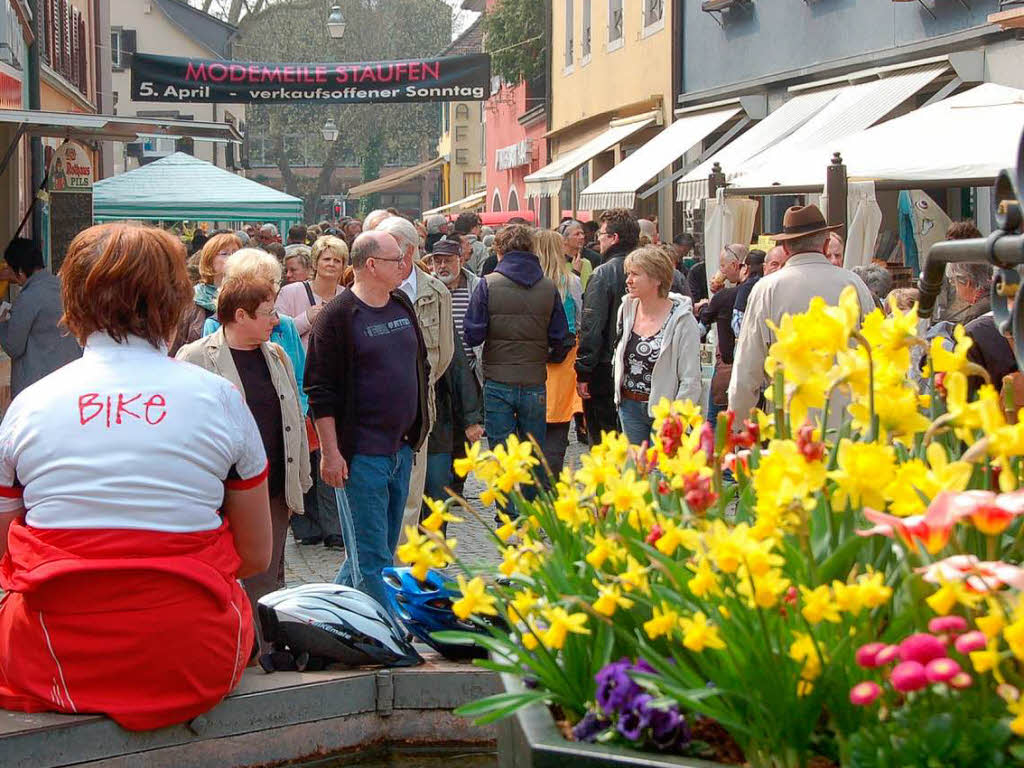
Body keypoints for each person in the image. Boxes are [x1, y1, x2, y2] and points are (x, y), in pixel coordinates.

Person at [0, 223, 270, 730]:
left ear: (73, 302)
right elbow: (256, 555)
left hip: (49, 654)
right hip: (192, 655)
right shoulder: (220, 400)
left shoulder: (26, 407)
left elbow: (3, 552)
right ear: (175, 302)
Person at [177, 275, 311, 652]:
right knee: (217, 573)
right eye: (269, 314)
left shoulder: (276, 355)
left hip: (272, 488)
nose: (277, 321)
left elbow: (292, 419)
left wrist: (299, 478)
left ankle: (261, 651)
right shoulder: (196, 357)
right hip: (220, 493)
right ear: (240, 315)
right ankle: (220, 647)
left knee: (266, 578)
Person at [304, 231, 430, 611]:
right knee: (373, 560)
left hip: (401, 448)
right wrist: (331, 454)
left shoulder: (401, 303)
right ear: (372, 265)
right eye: (397, 260)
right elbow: (319, 392)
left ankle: (326, 616)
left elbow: (419, 363)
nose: (404, 266)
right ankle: (388, 637)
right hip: (361, 456)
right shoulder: (338, 317)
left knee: (372, 552)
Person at [728, 205, 876, 421]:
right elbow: (875, 349)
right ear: (826, 245)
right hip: (849, 420)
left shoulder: (766, 289)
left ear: (786, 249)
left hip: (791, 423)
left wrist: (737, 427)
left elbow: (747, 369)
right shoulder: (853, 283)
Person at [464, 224, 572, 488]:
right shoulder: (548, 287)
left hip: (498, 380)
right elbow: (561, 336)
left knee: (502, 454)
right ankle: (530, 514)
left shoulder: (488, 284)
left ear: (499, 251)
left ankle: (507, 516)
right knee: (532, 452)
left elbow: (473, 335)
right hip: (535, 379)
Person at [378, 216, 454, 538]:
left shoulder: (435, 292)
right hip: (374, 414)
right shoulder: (371, 288)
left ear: (406, 254)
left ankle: (399, 572)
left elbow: (445, 353)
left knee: (409, 496)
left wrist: (413, 387)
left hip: (417, 411)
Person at [614, 246, 701, 444]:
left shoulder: (683, 320)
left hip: (665, 411)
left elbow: (690, 378)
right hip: (629, 405)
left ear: (657, 278)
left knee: (663, 472)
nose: (628, 280)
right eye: (628, 274)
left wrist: (677, 419)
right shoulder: (626, 309)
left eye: (635, 274)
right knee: (636, 470)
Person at [576, 209, 641, 443]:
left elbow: (591, 327)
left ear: (614, 238)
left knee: (606, 441)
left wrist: (584, 371)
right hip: (645, 365)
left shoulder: (603, 274)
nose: (597, 241)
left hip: (607, 367)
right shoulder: (659, 269)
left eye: (601, 235)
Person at [0, 238, 81, 398]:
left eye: (10, 270)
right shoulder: (63, 288)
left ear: (21, 271)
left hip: (38, 386)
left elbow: (13, 346)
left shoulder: (28, 297)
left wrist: (2, 324)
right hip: (71, 378)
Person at [534, 229, 583, 480]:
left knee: (536, 419)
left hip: (535, 357)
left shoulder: (530, 283)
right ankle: (552, 477)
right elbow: (579, 318)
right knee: (559, 422)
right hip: (565, 359)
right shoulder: (571, 281)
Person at [695, 244, 745, 426]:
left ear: (735, 265)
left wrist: (707, 305)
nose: (720, 270)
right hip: (750, 372)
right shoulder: (757, 289)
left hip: (727, 368)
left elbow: (702, 325)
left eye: (723, 266)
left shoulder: (726, 296)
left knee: (715, 424)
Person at [170, 232, 241, 356]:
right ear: (209, 261)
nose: (232, 258)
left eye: (236, 253)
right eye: (225, 253)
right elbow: (177, 344)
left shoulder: (246, 297)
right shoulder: (192, 298)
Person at [276, 235, 348, 349]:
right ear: (315, 263)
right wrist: (306, 319)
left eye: (337, 261)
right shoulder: (289, 292)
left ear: (343, 267)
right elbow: (277, 335)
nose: (331, 264)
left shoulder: (348, 297)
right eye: (326, 259)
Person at [731, 249, 765, 337]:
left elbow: (737, 325)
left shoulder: (747, 287)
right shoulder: (771, 284)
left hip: (749, 340)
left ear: (746, 267)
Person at [558, 219, 598, 288]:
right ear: (564, 239)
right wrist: (575, 272)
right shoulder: (556, 264)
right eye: (577, 234)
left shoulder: (587, 263)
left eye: (582, 233)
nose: (582, 237)